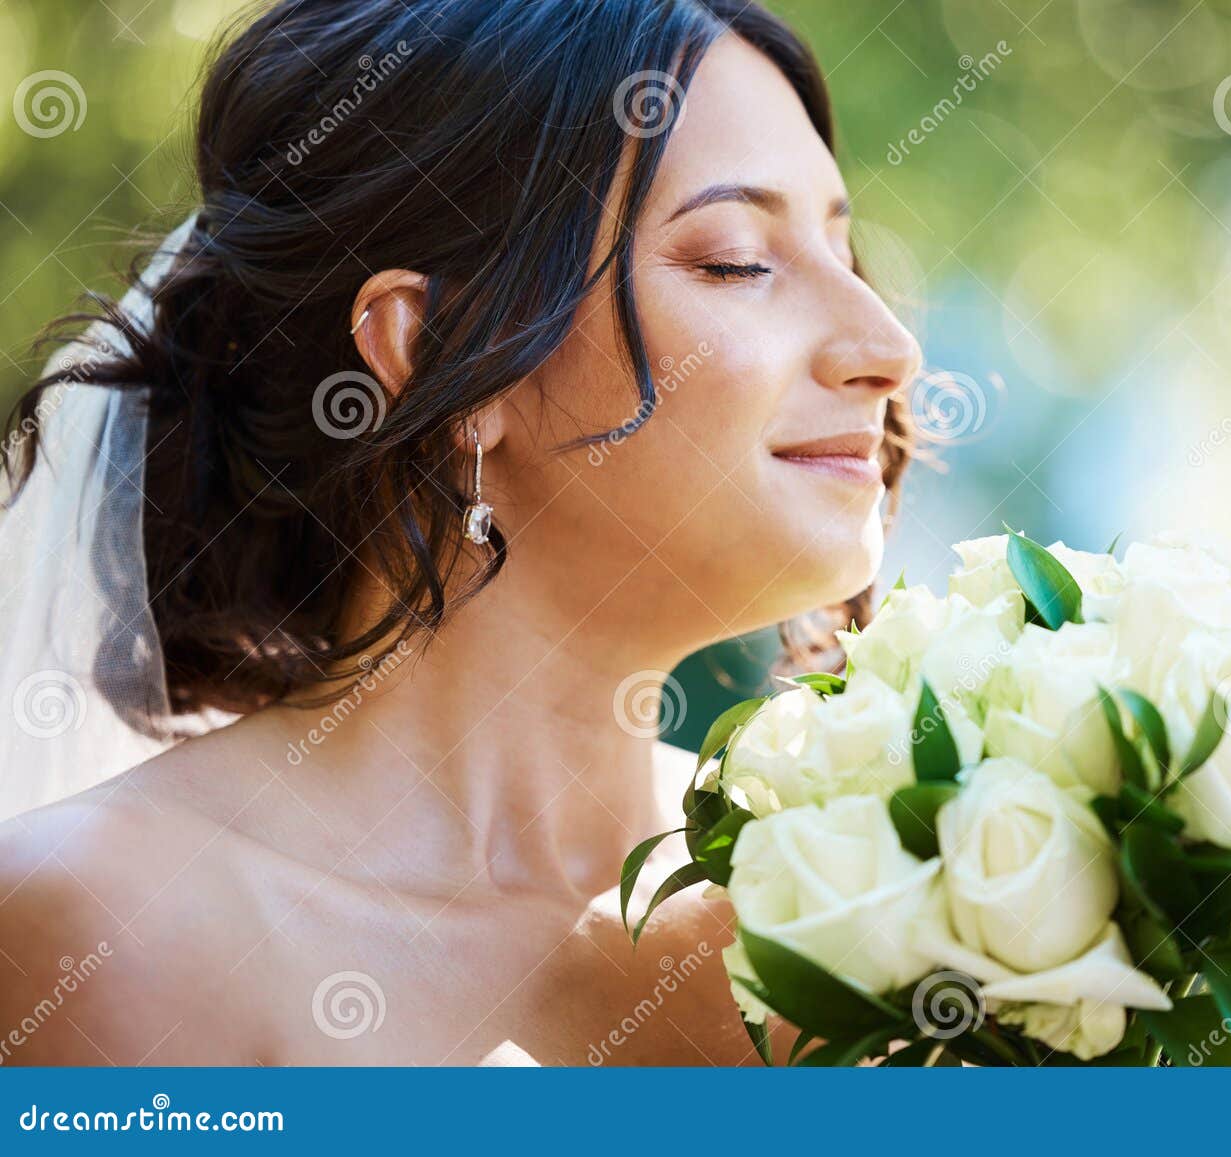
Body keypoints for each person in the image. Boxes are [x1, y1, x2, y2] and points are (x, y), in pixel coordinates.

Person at [0, 0, 920, 1065]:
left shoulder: (886, 905)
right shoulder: (110, 934)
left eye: (844, 254)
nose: (886, 345)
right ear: (433, 353)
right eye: (731, 259)